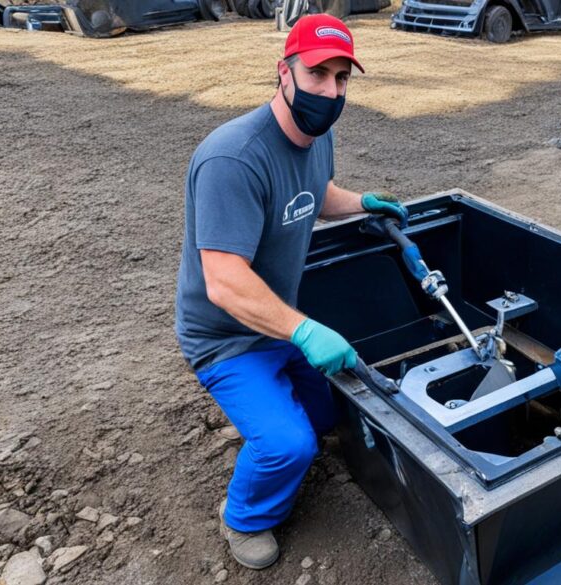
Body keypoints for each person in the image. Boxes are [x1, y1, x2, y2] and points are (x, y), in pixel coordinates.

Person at [173, 14, 407, 569]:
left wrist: (360, 202)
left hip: (277, 318)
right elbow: (224, 281)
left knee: (331, 415)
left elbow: (314, 193)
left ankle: (280, 409)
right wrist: (302, 329)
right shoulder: (232, 158)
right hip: (228, 336)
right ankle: (244, 517)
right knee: (289, 445)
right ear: (284, 72)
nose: (330, 91)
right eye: (317, 74)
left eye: (342, 78)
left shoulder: (315, 137)